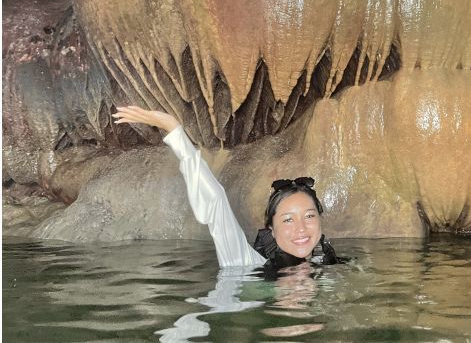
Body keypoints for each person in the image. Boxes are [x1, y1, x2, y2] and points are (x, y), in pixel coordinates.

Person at [112, 106, 343, 273]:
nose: (301, 228)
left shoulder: (332, 269)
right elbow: (215, 202)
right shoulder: (246, 264)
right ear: (271, 230)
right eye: (288, 220)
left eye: (309, 216)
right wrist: (175, 132)